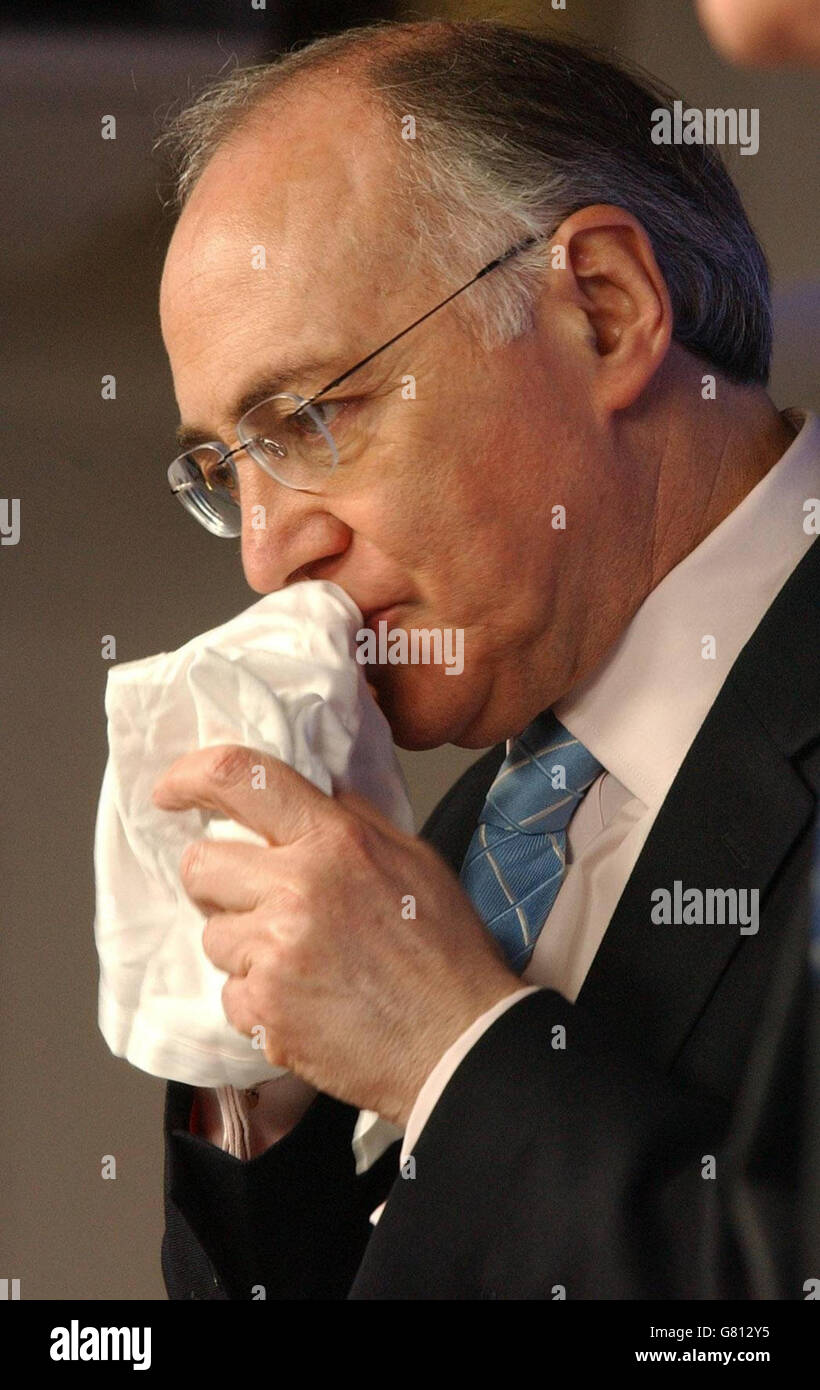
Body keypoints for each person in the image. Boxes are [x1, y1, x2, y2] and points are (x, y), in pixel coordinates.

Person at [151, 21, 819, 1298]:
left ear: (604, 310)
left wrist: (444, 1044)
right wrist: (259, 1076)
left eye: (306, 417)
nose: (264, 553)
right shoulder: (451, 846)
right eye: (222, 470)